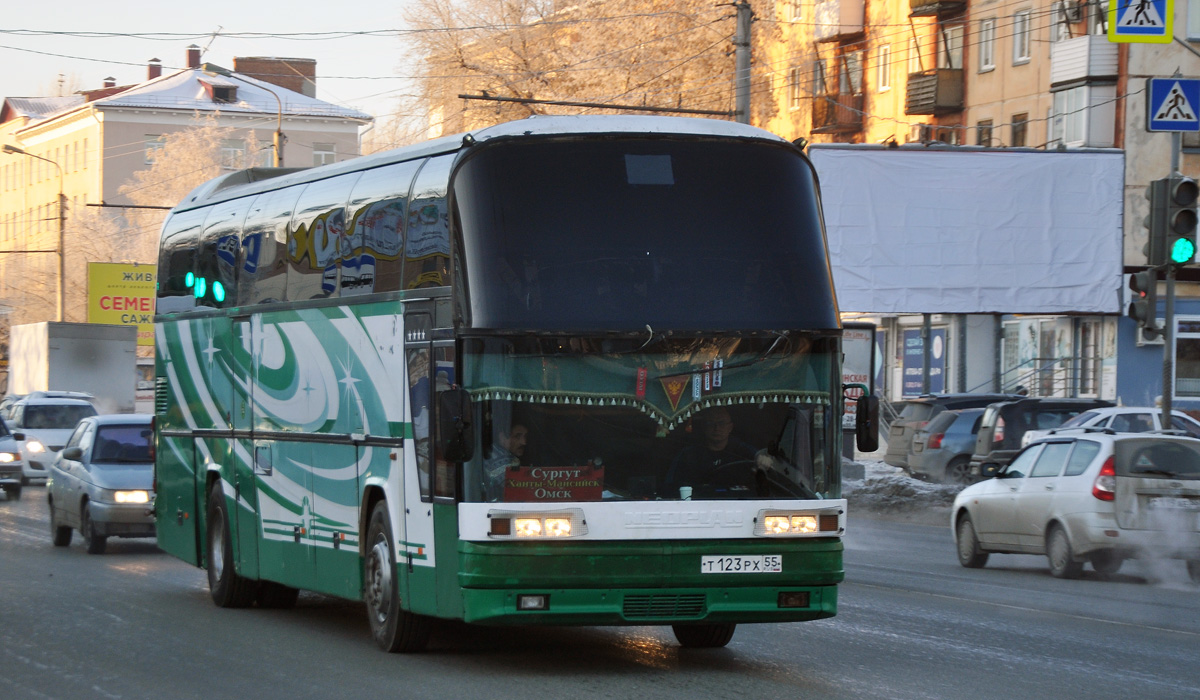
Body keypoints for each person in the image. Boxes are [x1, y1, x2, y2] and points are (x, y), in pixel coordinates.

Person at [664, 407, 759, 497]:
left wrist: (763, 458)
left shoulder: (744, 452)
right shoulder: (688, 455)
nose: (716, 428)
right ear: (704, 427)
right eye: (710, 423)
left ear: (730, 427)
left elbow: (762, 460)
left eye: (721, 423)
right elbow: (671, 487)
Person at [483, 422, 528, 502]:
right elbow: (516, 493)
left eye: (525, 437)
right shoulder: (500, 458)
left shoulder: (493, 452)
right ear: (502, 437)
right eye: (517, 436)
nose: (524, 442)